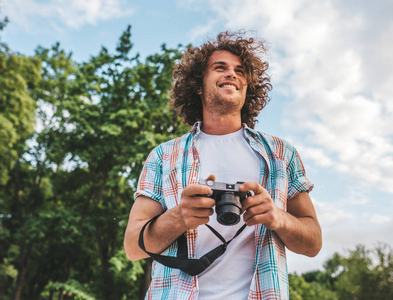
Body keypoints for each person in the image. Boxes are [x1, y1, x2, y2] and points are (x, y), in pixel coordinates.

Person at [124, 31, 322, 299]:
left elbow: (313, 243)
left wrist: (278, 217)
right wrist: (179, 216)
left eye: (240, 71)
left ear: (247, 87)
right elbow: (132, 247)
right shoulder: (163, 155)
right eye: (220, 68)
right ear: (197, 84)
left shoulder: (280, 154)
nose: (232, 74)